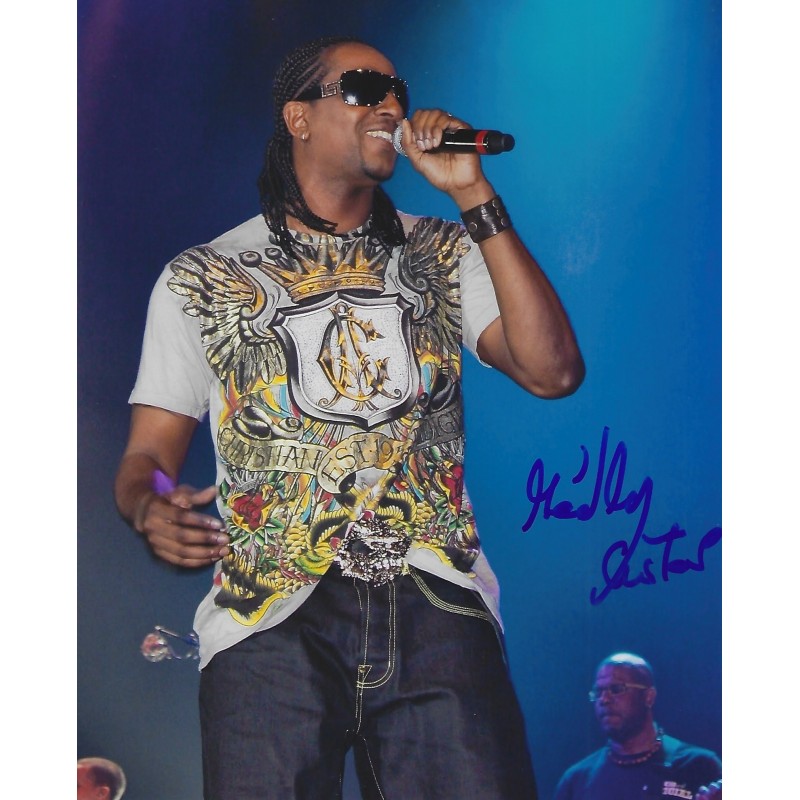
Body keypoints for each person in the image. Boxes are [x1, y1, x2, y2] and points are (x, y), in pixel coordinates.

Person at [114, 34, 584, 799]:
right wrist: (150, 504)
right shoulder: (204, 276)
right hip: (268, 611)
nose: (391, 104)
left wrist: (473, 196)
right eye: (365, 88)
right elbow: (148, 456)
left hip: (435, 596)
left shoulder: (443, 250)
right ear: (298, 118)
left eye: (399, 91)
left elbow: (553, 370)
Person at [554, 652, 722, 800]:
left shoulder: (698, 766)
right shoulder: (577, 781)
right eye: (598, 692)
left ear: (649, 697)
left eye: (616, 689)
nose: (604, 700)